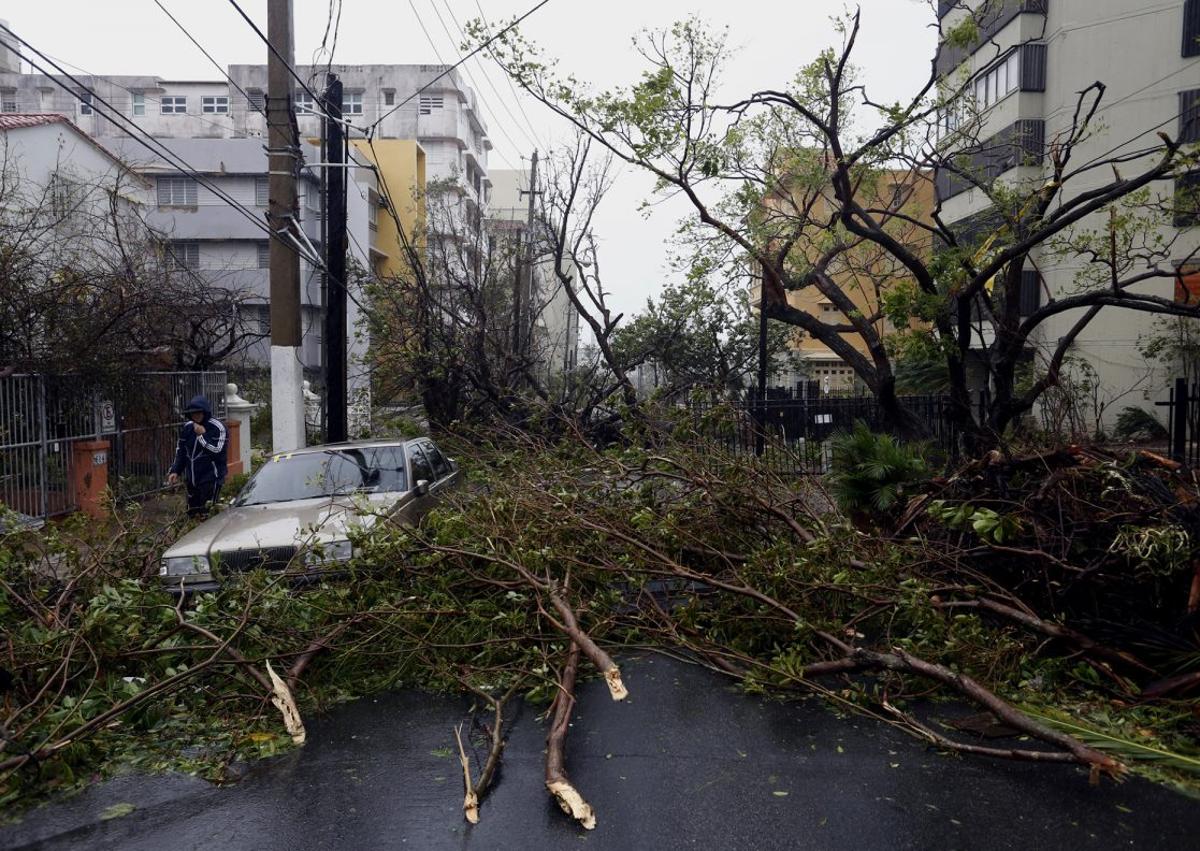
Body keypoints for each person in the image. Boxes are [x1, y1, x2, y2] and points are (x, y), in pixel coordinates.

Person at [168, 395, 228, 517]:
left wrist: (202, 436)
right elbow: (181, 451)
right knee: (192, 513)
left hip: (211, 477)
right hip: (192, 479)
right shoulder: (188, 427)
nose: (196, 416)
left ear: (205, 412)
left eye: (198, 413)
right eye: (193, 413)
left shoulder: (218, 428)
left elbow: (217, 452)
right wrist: (175, 470)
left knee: (207, 513)